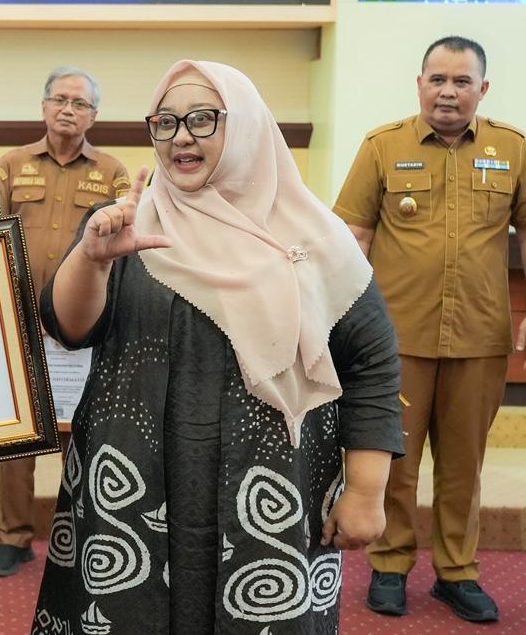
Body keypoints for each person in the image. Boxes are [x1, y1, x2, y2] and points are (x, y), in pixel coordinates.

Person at [32, 60, 402, 634]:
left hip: (268, 487)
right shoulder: (126, 223)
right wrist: (92, 258)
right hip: (133, 480)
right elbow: (68, 327)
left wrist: (366, 489)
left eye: (204, 119)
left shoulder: (316, 239)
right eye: (166, 122)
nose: (181, 136)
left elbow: (372, 361)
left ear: (247, 125)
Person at [333, 36, 524, 623]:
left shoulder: (513, 149)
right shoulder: (382, 146)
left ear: (482, 89)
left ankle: (457, 572)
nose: (448, 91)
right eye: (437, 79)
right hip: (395, 341)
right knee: (394, 460)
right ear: (420, 84)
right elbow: (350, 239)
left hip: (479, 337)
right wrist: (341, 323)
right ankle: (389, 565)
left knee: (464, 466)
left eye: (461, 81)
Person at [0, 66, 130, 577]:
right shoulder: (11, 165)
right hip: (21, 323)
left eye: (80, 103)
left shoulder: (112, 172)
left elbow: (123, 246)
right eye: (60, 100)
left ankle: (79, 533)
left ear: (94, 115)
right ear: (44, 106)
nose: (68, 109)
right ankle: (14, 536)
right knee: (20, 435)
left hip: (81, 328)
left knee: (81, 430)